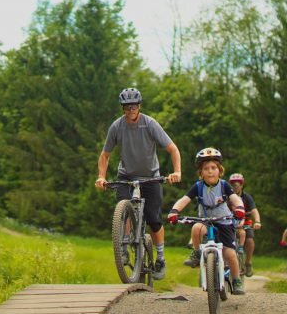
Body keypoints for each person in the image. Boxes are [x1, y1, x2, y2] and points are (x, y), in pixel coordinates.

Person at [95, 87, 182, 280]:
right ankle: (124, 246)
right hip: (126, 176)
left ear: (139, 106)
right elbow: (105, 155)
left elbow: (173, 149)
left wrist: (176, 172)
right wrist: (101, 176)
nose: (130, 110)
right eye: (126, 107)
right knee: (123, 209)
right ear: (123, 108)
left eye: (133, 106)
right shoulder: (117, 127)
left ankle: (160, 258)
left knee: (154, 218)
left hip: (150, 176)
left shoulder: (150, 124)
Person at [167, 147, 247, 295]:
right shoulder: (198, 187)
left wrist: (240, 208)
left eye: (213, 168)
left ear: (220, 171)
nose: (210, 171)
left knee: (229, 253)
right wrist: (174, 211)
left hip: (224, 222)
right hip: (205, 221)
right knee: (196, 228)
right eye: (206, 168)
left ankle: (236, 280)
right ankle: (197, 254)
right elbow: (184, 200)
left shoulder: (224, 185)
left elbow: (235, 198)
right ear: (201, 173)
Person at [228, 173, 261, 277]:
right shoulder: (226, 196)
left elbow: (254, 210)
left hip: (245, 222)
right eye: (232, 185)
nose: (235, 187)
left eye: (237, 185)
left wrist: (257, 221)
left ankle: (248, 263)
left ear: (241, 185)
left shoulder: (247, 197)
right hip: (229, 222)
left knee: (250, 240)